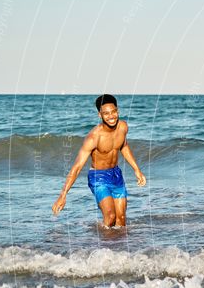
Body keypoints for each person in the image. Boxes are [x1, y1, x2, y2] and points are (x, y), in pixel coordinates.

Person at [52, 94, 146, 227]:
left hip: (116, 174)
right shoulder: (93, 137)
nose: (111, 116)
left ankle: (119, 247)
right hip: (98, 177)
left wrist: (137, 170)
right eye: (106, 113)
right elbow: (77, 167)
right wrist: (63, 194)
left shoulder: (123, 127)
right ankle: (101, 247)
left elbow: (123, 146)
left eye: (113, 112)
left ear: (117, 110)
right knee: (111, 217)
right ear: (99, 115)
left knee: (122, 219)